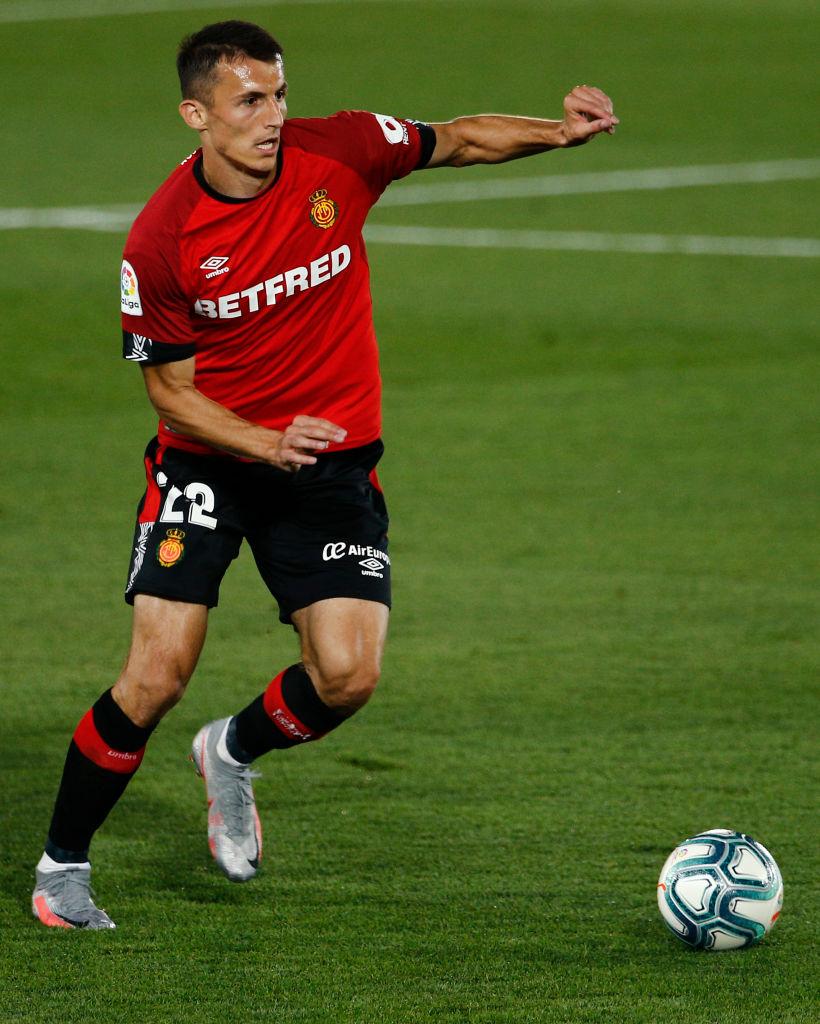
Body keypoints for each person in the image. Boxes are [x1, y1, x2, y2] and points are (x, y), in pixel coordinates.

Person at [32, 20, 618, 929]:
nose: (273, 116)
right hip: (210, 465)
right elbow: (171, 396)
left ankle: (230, 751)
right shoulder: (162, 238)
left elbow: (456, 139)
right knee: (155, 676)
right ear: (196, 114)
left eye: (279, 94)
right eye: (249, 101)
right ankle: (62, 868)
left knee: (346, 676)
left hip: (331, 465)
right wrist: (264, 443)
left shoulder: (338, 151)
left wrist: (559, 132)